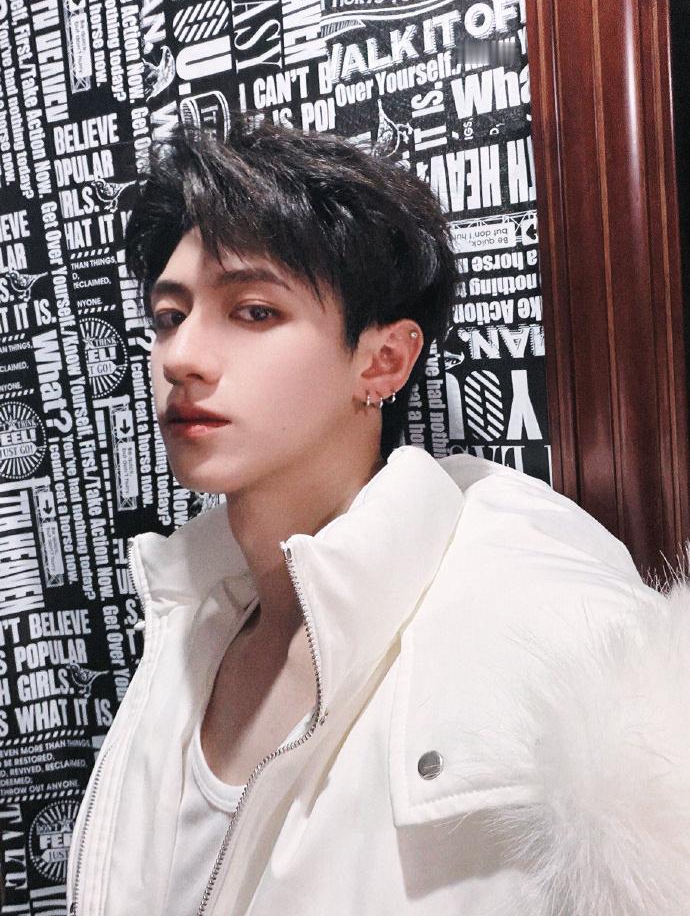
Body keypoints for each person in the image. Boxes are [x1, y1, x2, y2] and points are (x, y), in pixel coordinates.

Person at [66, 118, 690, 916]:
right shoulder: (189, 621)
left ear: (383, 360)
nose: (180, 356)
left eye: (252, 311)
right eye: (168, 315)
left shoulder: (552, 646)